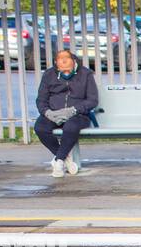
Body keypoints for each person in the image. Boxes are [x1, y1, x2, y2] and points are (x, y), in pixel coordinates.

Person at [33, 49, 98, 178]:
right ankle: (64, 159)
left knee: (70, 127)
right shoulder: (48, 74)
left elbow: (92, 100)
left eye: (66, 59)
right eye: (60, 61)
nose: (63, 63)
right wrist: (47, 113)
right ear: (56, 63)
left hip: (78, 114)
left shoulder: (86, 74)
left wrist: (73, 110)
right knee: (40, 128)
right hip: (53, 113)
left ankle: (59, 162)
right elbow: (41, 99)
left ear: (74, 61)